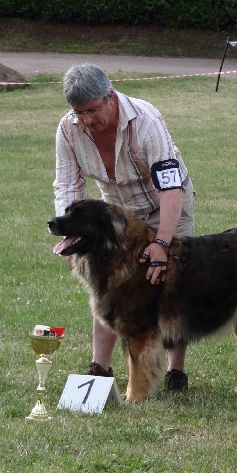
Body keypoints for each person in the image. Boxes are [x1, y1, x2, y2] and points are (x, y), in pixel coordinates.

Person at [54, 63, 196, 393]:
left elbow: (170, 187)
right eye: (79, 112)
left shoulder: (146, 121)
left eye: (92, 110)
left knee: (171, 283)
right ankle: (99, 368)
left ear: (110, 97)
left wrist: (162, 243)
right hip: (117, 214)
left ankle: (176, 372)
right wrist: (71, 237)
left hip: (169, 204)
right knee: (107, 285)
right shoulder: (67, 130)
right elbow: (67, 186)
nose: (86, 120)